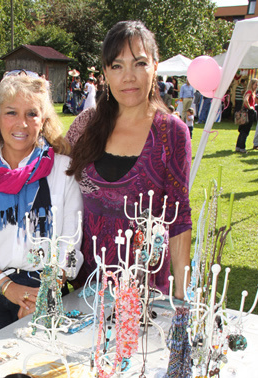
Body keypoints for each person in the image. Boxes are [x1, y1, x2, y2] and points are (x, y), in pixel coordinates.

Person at [0, 71, 83, 345]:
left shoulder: (63, 171)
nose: (21, 123)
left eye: (31, 113)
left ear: (43, 120)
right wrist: (7, 286)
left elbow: (70, 243)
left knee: (40, 366)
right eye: (11, 112)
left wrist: (44, 295)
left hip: (43, 290)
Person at [65, 21, 192, 298]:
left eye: (139, 64)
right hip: (85, 286)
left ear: (155, 67)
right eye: (117, 66)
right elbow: (46, 166)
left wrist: (182, 295)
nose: (128, 77)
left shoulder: (172, 132)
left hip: (143, 290)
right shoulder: (85, 125)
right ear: (105, 73)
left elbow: (180, 217)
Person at [235, 78, 258, 154]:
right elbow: (245, 100)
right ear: (252, 84)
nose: (257, 86)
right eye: (256, 84)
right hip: (248, 113)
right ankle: (242, 148)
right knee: (245, 131)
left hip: (246, 112)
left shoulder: (250, 92)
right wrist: (250, 107)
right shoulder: (249, 92)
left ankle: (238, 147)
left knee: (242, 131)